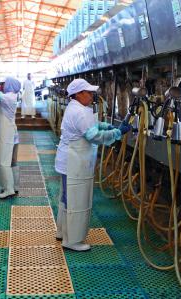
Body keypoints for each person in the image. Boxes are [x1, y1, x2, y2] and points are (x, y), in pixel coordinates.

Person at [55, 78, 131, 252]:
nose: (91, 95)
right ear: (79, 94)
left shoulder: (76, 108)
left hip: (71, 160)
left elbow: (92, 126)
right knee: (76, 201)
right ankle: (72, 241)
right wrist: (117, 132)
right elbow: (93, 136)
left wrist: (106, 125)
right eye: (88, 92)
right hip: (74, 162)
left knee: (67, 197)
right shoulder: (80, 112)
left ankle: (62, 232)